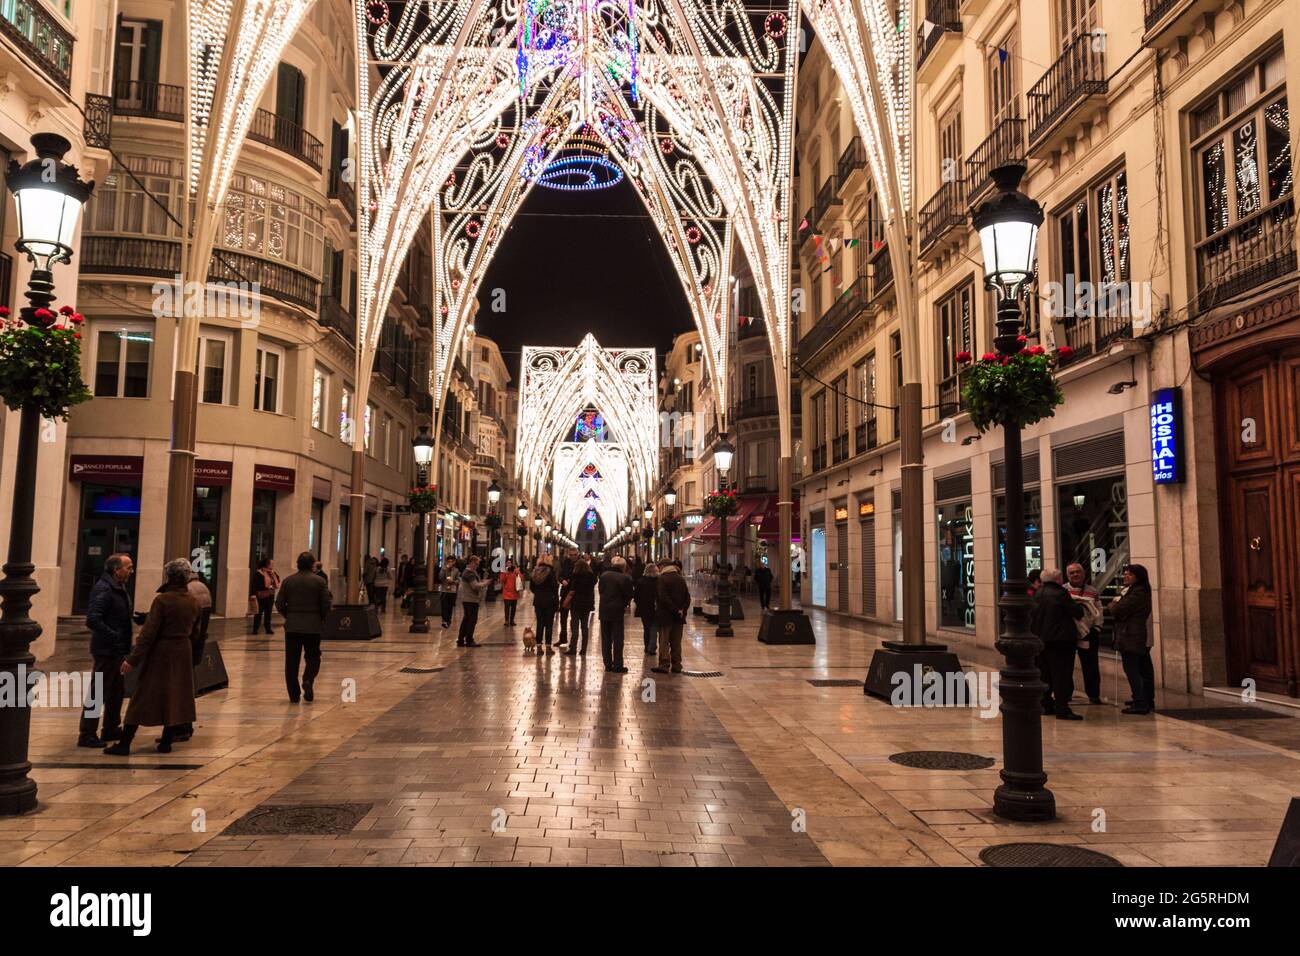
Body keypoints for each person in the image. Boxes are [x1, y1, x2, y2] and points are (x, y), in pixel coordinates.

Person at [104, 559, 201, 756]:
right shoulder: (193, 601)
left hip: (161, 652)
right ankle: (166, 741)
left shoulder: (163, 600)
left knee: (141, 696)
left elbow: (148, 634)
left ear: (169, 577)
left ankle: (124, 744)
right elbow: (196, 631)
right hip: (182, 650)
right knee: (175, 696)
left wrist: (132, 659)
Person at [78, 553, 134, 748]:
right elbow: (93, 619)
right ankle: (87, 733)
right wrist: (114, 635)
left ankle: (110, 727)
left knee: (116, 691)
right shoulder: (104, 588)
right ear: (116, 569)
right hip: (106, 649)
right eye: (128, 567)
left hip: (117, 649)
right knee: (98, 691)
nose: (131, 571)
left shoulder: (118, 588)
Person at [276, 551, 333, 704]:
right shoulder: (320, 581)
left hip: (293, 627)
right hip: (313, 625)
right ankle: (308, 679)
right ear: (312, 564)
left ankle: (293, 695)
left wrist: (289, 616)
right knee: (313, 656)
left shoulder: (288, 581)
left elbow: (279, 604)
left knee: (291, 661)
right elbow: (326, 604)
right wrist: (320, 618)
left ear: (298, 564)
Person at [1030, 568, 1085, 720]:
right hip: (1060, 641)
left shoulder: (1037, 594)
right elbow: (1077, 612)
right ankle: (1062, 708)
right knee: (1062, 676)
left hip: (1042, 640)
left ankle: (1046, 704)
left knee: (1045, 674)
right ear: (1058, 579)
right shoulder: (1060, 593)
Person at [1111, 564, 1155, 715]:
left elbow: (1118, 609)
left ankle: (1141, 702)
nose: (1125, 576)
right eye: (1125, 573)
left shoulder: (1138, 593)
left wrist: (1113, 604)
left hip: (1132, 636)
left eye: (1129, 574)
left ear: (1138, 576)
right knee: (1142, 668)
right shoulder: (1135, 591)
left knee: (1133, 670)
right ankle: (1145, 698)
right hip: (1134, 634)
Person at [1066, 562, 1104, 704]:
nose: (1075, 575)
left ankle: (1094, 695)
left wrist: (1097, 628)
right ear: (1067, 575)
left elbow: (1099, 611)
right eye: (1072, 573)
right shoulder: (1063, 590)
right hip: (1069, 635)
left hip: (1089, 634)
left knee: (1091, 666)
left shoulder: (1093, 591)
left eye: (1078, 572)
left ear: (1083, 574)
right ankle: (1066, 694)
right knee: (1066, 667)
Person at [652, 561, 691, 675]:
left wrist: (675, 609)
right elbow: (687, 597)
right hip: (679, 617)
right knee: (676, 642)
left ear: (663, 566)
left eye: (659, 567)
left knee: (664, 641)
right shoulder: (681, 579)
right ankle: (677, 665)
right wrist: (682, 610)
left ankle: (664, 665)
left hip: (666, 616)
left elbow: (663, 597)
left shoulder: (662, 579)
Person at [598, 557, 635, 673]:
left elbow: (601, 591)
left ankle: (608, 664)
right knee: (618, 639)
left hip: (604, 610)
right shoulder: (625, 578)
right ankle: (618, 665)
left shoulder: (603, 576)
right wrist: (623, 604)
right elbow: (629, 594)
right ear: (623, 567)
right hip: (617, 611)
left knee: (606, 638)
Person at [562, 557, 597, 655]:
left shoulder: (575, 576)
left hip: (576, 604)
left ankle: (573, 648)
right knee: (585, 627)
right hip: (587, 605)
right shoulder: (591, 577)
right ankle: (584, 649)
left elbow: (571, 589)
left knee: (575, 627)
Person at [530, 556, 560, 652]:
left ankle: (538, 647)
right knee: (549, 624)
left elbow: (532, 587)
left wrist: (538, 593)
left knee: (540, 623)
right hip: (549, 602)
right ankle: (548, 647)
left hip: (538, 601)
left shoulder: (535, 572)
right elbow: (555, 588)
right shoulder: (550, 573)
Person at [457, 555, 486, 647]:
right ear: (471, 562)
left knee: (466, 619)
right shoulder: (469, 573)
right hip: (471, 599)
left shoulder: (469, 572)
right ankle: (469, 640)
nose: (477, 566)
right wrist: (484, 583)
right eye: (476, 564)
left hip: (468, 599)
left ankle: (461, 640)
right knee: (471, 620)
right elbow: (475, 586)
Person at [634, 561, 660, 656]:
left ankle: (647, 646)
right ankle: (651, 647)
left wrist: (639, 604)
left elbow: (635, 596)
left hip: (644, 609)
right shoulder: (659, 581)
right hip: (655, 608)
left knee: (646, 628)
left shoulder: (640, 581)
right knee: (654, 627)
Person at [249, 558, 280, 634]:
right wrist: (252, 594)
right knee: (258, 613)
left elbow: (277, 581)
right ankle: (255, 629)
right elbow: (255, 585)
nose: (273, 565)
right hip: (262, 595)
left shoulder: (273, 573)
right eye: (271, 564)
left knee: (268, 613)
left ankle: (268, 628)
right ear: (266, 564)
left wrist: (273, 585)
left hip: (270, 595)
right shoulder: (259, 573)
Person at [557, 548, 578, 646]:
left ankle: (573, 643)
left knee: (574, 619)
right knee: (563, 617)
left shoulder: (580, 564)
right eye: (571, 555)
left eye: (574, 555)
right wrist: (562, 581)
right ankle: (563, 639)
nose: (572, 556)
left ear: (577, 554)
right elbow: (559, 575)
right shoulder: (566, 562)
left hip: (574, 595)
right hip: (565, 593)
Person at [438, 556, 460, 629]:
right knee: (444, 606)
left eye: (451, 561)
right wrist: (445, 569)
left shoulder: (456, 570)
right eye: (448, 561)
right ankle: (444, 621)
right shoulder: (443, 569)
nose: (450, 563)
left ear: (454, 562)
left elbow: (458, 579)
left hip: (452, 591)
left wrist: (453, 581)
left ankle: (448, 620)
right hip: (444, 590)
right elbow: (440, 577)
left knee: (450, 607)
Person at [500, 561, 522, 625]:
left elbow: (521, 578)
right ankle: (506, 620)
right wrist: (505, 572)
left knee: (513, 608)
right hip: (507, 593)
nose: (509, 564)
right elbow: (502, 580)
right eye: (507, 563)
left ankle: (512, 620)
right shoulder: (504, 572)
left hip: (514, 593)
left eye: (510, 563)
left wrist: (517, 572)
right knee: (507, 608)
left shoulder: (515, 572)